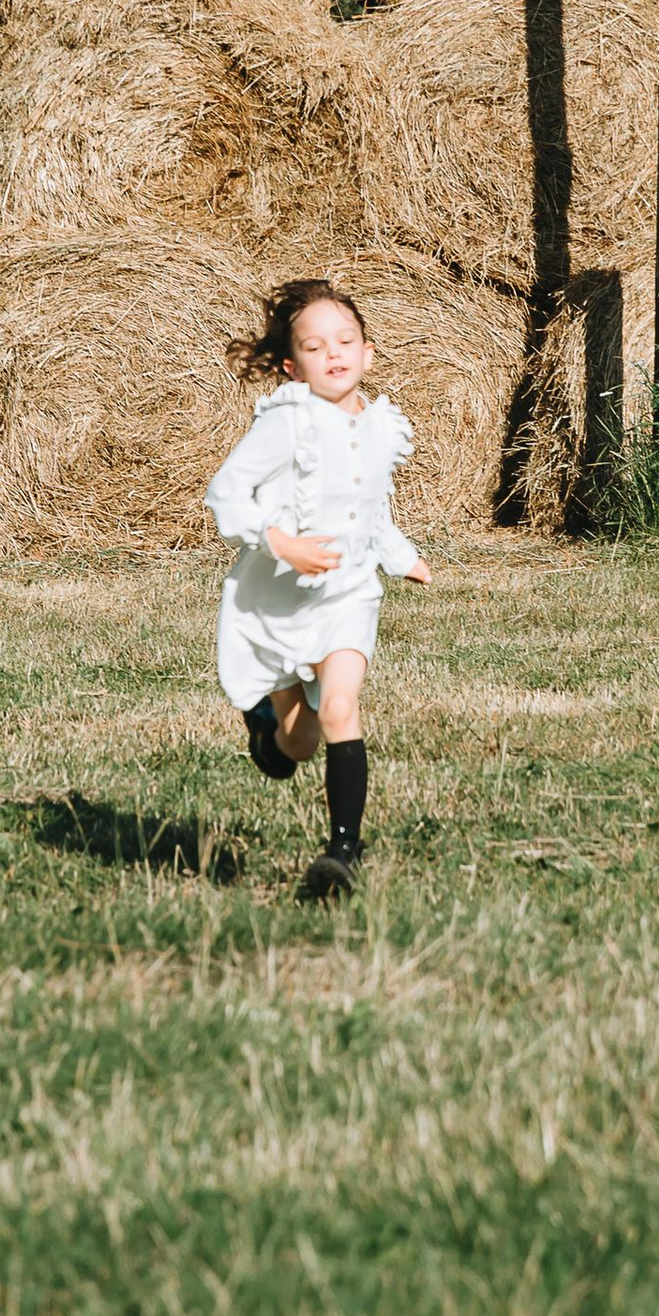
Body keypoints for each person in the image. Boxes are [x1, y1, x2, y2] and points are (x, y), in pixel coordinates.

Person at [206, 278, 431, 901]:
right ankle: (267, 732)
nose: (334, 353)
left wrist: (400, 556)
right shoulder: (288, 425)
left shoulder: (382, 425)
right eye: (314, 345)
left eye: (346, 340)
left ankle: (342, 852)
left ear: (367, 350)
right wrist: (282, 543)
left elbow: (370, 507)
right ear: (290, 365)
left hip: (349, 594)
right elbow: (225, 496)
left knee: (339, 711)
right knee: (295, 747)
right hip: (280, 599)